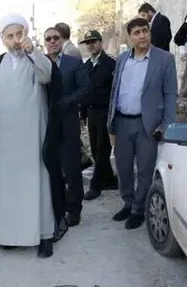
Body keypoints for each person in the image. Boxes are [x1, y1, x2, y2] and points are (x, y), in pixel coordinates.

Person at [0, 14, 67, 258]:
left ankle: (44, 235)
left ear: (26, 34)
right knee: (7, 188)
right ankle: (9, 235)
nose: (15, 40)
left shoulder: (37, 59)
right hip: (3, 140)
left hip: (33, 137)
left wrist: (33, 52)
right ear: (3, 39)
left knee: (37, 184)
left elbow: (47, 76)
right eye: (10, 36)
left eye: (19, 34)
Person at [107, 17, 177, 230]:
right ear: (130, 37)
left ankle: (139, 209)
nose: (142, 36)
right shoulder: (122, 59)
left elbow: (170, 93)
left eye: (145, 31)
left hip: (148, 124)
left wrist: (166, 124)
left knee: (145, 169)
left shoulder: (165, 59)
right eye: (136, 32)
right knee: (123, 167)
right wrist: (111, 120)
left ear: (149, 32)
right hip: (122, 121)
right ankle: (128, 203)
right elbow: (115, 89)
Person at [43, 26, 90, 227]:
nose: (52, 41)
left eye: (56, 38)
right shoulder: (40, 63)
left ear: (62, 40)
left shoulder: (73, 62)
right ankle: (57, 207)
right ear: (45, 42)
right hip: (46, 124)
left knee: (71, 168)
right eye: (48, 39)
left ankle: (74, 208)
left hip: (68, 122)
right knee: (52, 168)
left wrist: (66, 102)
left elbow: (85, 88)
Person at [79, 30, 118, 201]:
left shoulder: (110, 63)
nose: (91, 45)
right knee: (95, 148)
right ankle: (109, 180)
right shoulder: (87, 65)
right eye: (88, 43)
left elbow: (115, 90)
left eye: (94, 41)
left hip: (105, 112)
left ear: (101, 43)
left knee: (103, 149)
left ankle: (95, 186)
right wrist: (82, 113)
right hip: (92, 112)